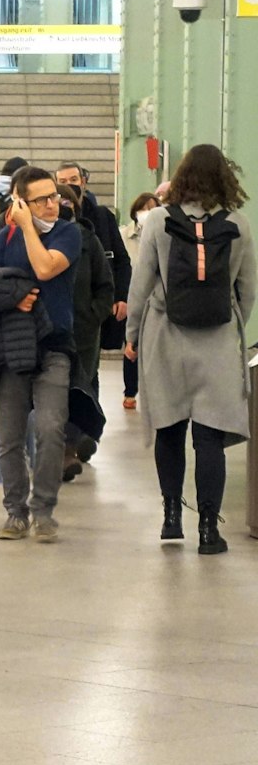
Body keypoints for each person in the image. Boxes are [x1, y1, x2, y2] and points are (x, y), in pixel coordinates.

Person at [126, 144, 257, 555]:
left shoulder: (159, 221)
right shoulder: (238, 224)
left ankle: (170, 518)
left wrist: (131, 332)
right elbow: (248, 289)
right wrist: (235, 324)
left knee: (169, 428)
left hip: (166, 334)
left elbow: (141, 283)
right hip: (216, 340)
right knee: (209, 439)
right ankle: (208, 530)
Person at [0, 165, 83, 544]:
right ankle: (15, 512)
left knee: (51, 428)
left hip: (54, 345)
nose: (52, 204)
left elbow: (45, 267)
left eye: (54, 196)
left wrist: (26, 227)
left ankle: (43, 509)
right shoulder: (4, 236)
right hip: (10, 347)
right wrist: (14, 296)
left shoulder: (68, 234)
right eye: (41, 199)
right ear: (21, 200)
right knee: (8, 436)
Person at [62, 182, 117, 482]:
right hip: (49, 330)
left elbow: (105, 284)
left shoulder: (88, 240)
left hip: (84, 331)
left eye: (65, 201)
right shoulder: (35, 239)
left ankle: (70, 448)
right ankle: (58, 448)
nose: (59, 205)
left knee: (81, 387)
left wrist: (94, 315)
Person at [56, 162, 132, 366]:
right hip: (61, 311)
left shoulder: (101, 217)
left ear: (83, 182)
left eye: (73, 180)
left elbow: (122, 260)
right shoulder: (49, 220)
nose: (69, 185)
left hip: (93, 311)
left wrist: (119, 298)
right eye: (62, 182)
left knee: (90, 373)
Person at [121, 190, 160, 410]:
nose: (148, 213)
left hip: (155, 299)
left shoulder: (164, 234)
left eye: (153, 208)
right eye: (144, 208)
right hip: (132, 294)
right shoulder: (124, 235)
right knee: (131, 345)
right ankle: (130, 391)